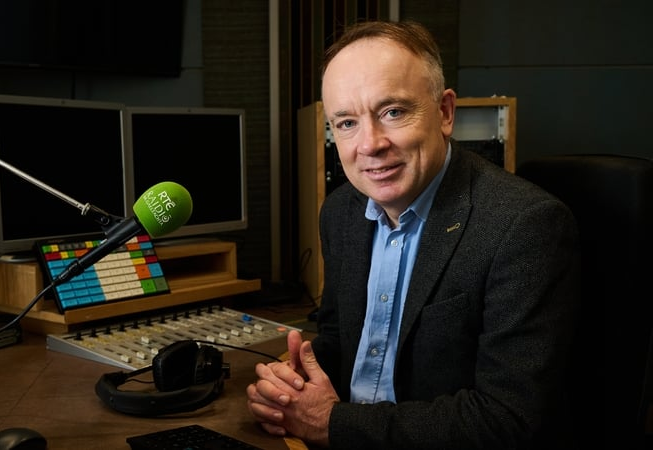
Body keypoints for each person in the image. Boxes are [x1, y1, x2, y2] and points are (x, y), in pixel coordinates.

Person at [247, 20, 581, 449]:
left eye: (393, 112)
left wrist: (332, 423)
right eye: (346, 123)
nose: (369, 144)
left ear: (444, 112)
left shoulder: (524, 226)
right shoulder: (341, 211)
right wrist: (292, 384)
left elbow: (506, 419)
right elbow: (340, 338)